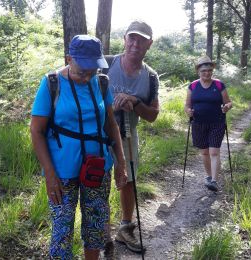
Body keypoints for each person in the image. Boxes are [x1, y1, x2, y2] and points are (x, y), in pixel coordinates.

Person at [30, 35, 128, 259]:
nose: (86, 77)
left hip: (97, 167)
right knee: (62, 229)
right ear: (68, 58)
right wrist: (49, 175)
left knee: (95, 224)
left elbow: (111, 124)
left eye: (91, 70)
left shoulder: (102, 82)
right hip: (61, 171)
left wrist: (121, 162)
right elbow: (36, 130)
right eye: (81, 71)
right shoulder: (51, 83)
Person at [105, 20, 160, 254]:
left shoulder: (150, 77)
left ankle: (125, 227)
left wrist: (135, 102)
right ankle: (101, 231)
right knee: (97, 181)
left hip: (128, 133)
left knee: (127, 180)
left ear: (149, 44)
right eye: (132, 38)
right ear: (125, 39)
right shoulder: (105, 64)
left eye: (141, 40)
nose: (135, 44)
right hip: (97, 133)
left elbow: (153, 115)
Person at [185, 56, 232, 192]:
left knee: (214, 152)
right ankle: (209, 176)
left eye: (210, 70)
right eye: (204, 70)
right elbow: (187, 105)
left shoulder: (219, 85)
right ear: (198, 71)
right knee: (205, 152)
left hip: (217, 123)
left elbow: (228, 102)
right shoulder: (193, 86)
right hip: (198, 123)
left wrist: (227, 107)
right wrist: (189, 111)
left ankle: (214, 181)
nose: (207, 73)